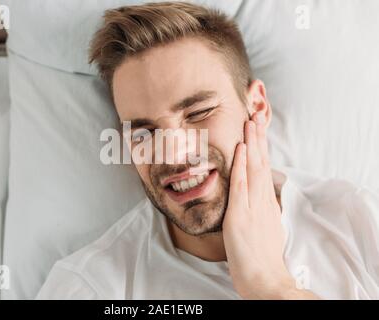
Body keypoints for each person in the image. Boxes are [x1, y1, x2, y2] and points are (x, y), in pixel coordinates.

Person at [37, 2, 379, 300]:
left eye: (198, 113)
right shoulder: (90, 288)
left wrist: (273, 289)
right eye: (145, 132)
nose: (173, 154)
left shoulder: (358, 222)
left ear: (256, 107)